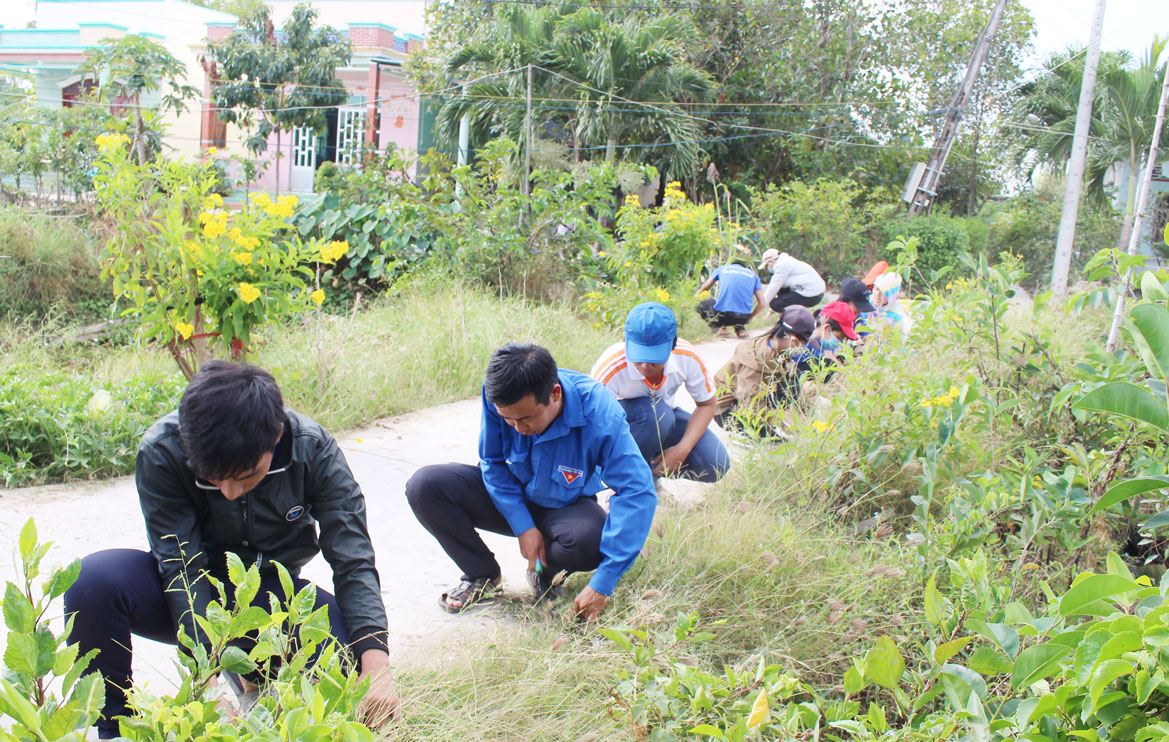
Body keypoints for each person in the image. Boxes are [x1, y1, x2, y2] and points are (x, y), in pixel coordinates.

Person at [63, 362, 399, 740]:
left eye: (244, 476)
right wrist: (205, 683)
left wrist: (377, 665)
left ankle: (254, 680)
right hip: (189, 596)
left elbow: (352, 559)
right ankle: (113, 729)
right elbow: (181, 566)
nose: (228, 492)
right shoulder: (163, 450)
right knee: (93, 581)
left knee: (351, 673)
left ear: (275, 437)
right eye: (213, 478)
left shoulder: (313, 449)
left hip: (270, 601)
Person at [406, 343, 656, 620]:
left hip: (565, 505)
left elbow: (636, 491)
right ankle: (482, 574)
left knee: (590, 541)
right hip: (507, 495)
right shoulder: (498, 395)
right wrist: (523, 525)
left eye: (526, 418)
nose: (517, 429)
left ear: (555, 394)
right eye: (507, 420)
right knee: (425, 486)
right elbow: (492, 461)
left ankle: (544, 575)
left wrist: (604, 582)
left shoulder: (598, 410)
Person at [591, 303, 731, 483]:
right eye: (639, 356)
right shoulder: (610, 367)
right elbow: (593, 425)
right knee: (659, 415)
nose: (645, 366)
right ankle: (625, 483)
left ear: (672, 345)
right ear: (626, 341)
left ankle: (649, 478)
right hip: (622, 427)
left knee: (716, 464)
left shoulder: (687, 357)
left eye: (654, 358)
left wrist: (683, 449)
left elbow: (707, 404)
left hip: (665, 419)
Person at [712, 305, 815, 434]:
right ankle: (744, 434)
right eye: (802, 343)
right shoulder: (755, 361)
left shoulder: (776, 349)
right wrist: (783, 422)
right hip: (727, 410)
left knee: (792, 384)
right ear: (793, 340)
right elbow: (751, 404)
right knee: (775, 441)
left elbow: (791, 377)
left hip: (751, 400)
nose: (802, 347)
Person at [695, 258, 765, 339]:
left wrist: (692, 299)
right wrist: (750, 318)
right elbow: (762, 303)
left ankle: (718, 329)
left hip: (724, 316)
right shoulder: (753, 275)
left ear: (729, 264)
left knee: (704, 303)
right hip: (744, 318)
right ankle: (740, 329)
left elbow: (704, 288)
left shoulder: (722, 269)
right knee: (738, 307)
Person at [792, 301, 856, 377]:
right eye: (838, 338)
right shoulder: (802, 341)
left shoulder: (820, 342)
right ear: (827, 328)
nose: (838, 343)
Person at [758, 248, 826, 316]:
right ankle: (794, 314)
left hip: (811, 295)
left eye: (767, 265)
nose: (768, 268)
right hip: (816, 293)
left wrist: (759, 307)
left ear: (772, 261)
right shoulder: (787, 261)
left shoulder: (782, 265)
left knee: (775, 304)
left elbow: (772, 288)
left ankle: (793, 318)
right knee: (781, 292)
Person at [857, 271, 912, 338]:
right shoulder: (866, 302)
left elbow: (899, 342)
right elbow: (857, 320)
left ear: (891, 296)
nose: (877, 294)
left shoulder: (896, 316)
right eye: (876, 289)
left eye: (883, 292)